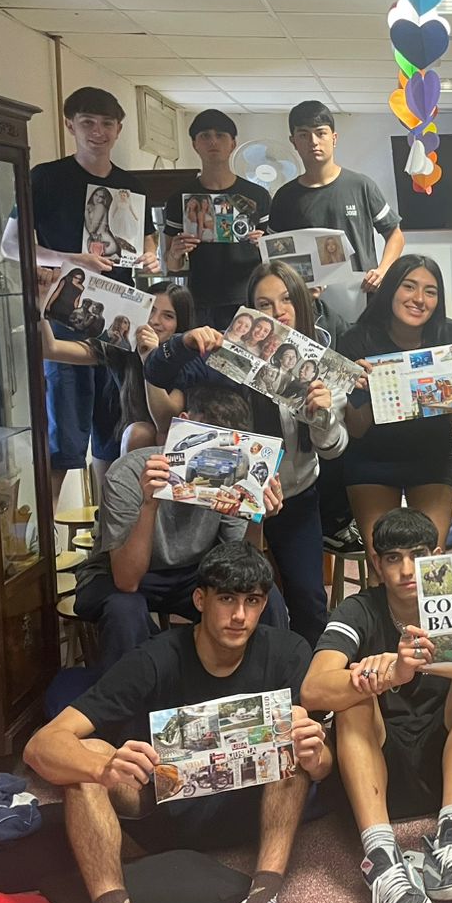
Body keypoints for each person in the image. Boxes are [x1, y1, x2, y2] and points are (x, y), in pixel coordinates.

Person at [22, 542, 332, 903]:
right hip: (159, 814)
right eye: (226, 599)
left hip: (252, 812)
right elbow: (40, 746)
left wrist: (315, 754)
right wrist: (100, 766)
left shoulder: (288, 651)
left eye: (252, 601)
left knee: (293, 735)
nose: (240, 616)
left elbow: (324, 768)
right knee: (84, 758)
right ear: (200, 600)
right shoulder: (155, 658)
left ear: (264, 604)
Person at [301, 510, 452, 903]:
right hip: (376, 772)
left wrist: (429, 662)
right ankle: (380, 859)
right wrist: (388, 675)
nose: (406, 570)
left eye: (417, 555)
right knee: (354, 692)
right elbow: (313, 690)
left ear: (436, 556)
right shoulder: (358, 609)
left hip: (446, 765)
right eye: (393, 558)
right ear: (376, 565)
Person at [144, 262, 349, 645]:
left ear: (302, 303)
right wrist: (184, 341)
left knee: (309, 600)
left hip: (295, 497)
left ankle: (309, 675)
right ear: (251, 311)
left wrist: (322, 416)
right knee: (240, 599)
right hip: (231, 499)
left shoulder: (320, 366)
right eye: (264, 304)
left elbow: (333, 448)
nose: (278, 311)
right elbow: (158, 373)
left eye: (286, 300)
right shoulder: (228, 356)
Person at [8, 87, 159, 506]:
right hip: (63, 313)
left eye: (107, 124)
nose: (98, 132)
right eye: (88, 123)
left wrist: (150, 258)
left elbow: (147, 244)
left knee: (116, 428)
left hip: (120, 321)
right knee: (65, 433)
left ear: (118, 130)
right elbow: (10, 245)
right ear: (69, 125)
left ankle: (108, 528)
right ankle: (48, 539)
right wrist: (67, 259)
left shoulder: (130, 185)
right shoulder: (45, 178)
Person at [73, 384, 291, 666]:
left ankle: (267, 684)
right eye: (206, 444)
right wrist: (149, 504)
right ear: (184, 425)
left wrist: (256, 516)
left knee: (262, 596)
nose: (216, 461)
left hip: (193, 570)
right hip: (119, 572)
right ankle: (130, 692)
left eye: (228, 452)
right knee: (124, 609)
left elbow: (243, 569)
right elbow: (126, 581)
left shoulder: (235, 476)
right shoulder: (127, 473)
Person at [338, 255, 452, 568]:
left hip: (433, 458)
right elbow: (356, 429)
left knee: (430, 564)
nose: (419, 299)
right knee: (382, 564)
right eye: (409, 287)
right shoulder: (356, 339)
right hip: (372, 460)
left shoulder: (451, 337)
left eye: (430, 291)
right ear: (391, 289)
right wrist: (369, 390)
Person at [39, 276, 196, 455]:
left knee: (141, 433)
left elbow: (167, 422)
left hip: (172, 446)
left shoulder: (187, 357)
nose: (154, 320)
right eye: (150, 311)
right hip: (119, 434)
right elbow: (51, 350)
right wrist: (40, 303)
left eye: (168, 316)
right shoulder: (122, 345)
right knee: (133, 434)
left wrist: (151, 360)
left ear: (180, 324)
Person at [268, 100, 404, 297]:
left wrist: (383, 270)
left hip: (361, 295)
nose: (313, 141)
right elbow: (277, 253)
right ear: (293, 142)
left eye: (320, 133)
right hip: (307, 301)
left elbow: (395, 234)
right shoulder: (285, 197)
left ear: (334, 138)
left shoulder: (360, 185)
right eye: (304, 135)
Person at [163, 110, 272, 330]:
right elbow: (171, 265)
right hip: (200, 301)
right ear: (194, 144)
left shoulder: (257, 195)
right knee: (202, 352)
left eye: (220, 135)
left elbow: (275, 258)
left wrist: (265, 244)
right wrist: (175, 252)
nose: (213, 141)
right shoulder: (179, 199)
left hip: (249, 298)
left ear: (233, 143)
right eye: (205, 135)